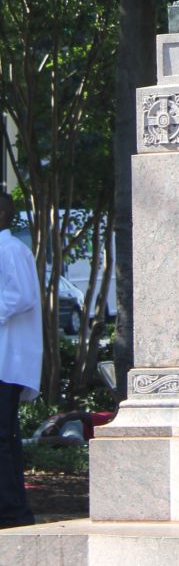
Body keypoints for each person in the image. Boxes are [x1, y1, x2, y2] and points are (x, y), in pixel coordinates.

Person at [0, 193, 41, 528]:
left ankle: (13, 512)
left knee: (3, 439)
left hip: (7, 361)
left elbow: (21, 296)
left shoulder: (10, 250)